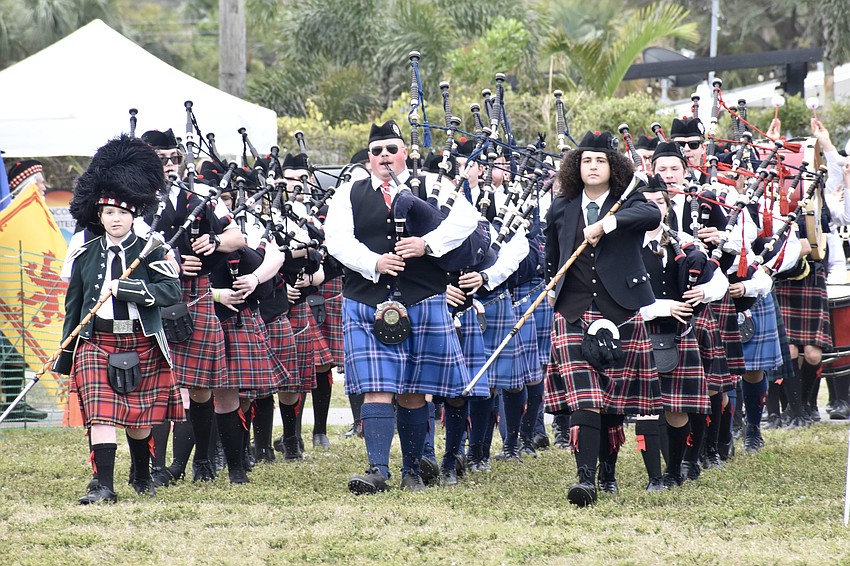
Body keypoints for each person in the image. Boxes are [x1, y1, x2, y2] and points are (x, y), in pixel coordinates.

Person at [324, 119, 480, 494]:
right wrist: (373, 262)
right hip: (366, 299)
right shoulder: (350, 192)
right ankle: (378, 468)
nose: (384, 156)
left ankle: (412, 470)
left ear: (404, 153)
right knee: (377, 387)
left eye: (391, 149)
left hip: (422, 299)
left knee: (413, 389)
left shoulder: (432, 184)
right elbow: (336, 240)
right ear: (369, 158)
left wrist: (428, 244)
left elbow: (466, 220)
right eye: (376, 151)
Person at [54, 135, 184, 504]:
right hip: (97, 341)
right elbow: (74, 307)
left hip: (141, 340)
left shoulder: (151, 249)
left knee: (141, 422)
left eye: (122, 213)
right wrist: (67, 352)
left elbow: (171, 293)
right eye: (109, 213)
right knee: (101, 416)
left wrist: (131, 290)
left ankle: (142, 473)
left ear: (133, 215)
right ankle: (103, 486)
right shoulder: (84, 253)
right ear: (100, 215)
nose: (115, 219)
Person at [544, 131, 662, 507]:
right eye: (586, 161)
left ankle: (608, 474)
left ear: (614, 167)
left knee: (612, 401)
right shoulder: (561, 205)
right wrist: (552, 284)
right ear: (576, 167)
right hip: (573, 309)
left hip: (620, 308)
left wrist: (605, 224)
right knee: (586, 397)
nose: (593, 167)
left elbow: (652, 214)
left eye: (600, 161)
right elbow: (552, 250)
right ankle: (585, 479)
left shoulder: (629, 201)